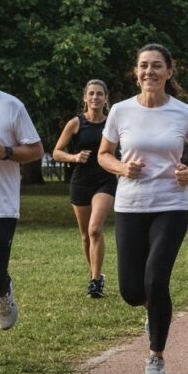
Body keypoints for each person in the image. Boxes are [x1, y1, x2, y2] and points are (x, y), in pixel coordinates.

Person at [98, 43, 188, 374]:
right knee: (133, 291)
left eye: (157, 66)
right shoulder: (120, 111)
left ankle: (156, 356)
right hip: (131, 205)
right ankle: (153, 312)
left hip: (170, 205)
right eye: (144, 66)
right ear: (136, 72)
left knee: (156, 279)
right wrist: (121, 168)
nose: (150, 71)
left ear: (169, 71)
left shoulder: (183, 112)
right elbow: (104, 154)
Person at [52, 80, 118, 297]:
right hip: (81, 182)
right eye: (91, 93)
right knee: (85, 235)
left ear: (106, 98)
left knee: (95, 229)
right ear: (85, 98)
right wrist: (74, 157)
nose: (95, 97)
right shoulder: (76, 123)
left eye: (100, 94)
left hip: (105, 180)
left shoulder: (112, 124)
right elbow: (56, 152)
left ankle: (95, 281)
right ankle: (95, 274)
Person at [0, 90, 43, 331]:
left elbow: (36, 151)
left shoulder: (11, 106)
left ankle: (3, 289)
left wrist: (4, 151)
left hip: (1, 205)